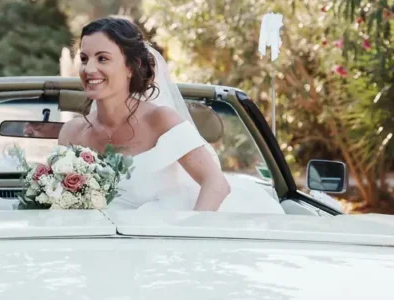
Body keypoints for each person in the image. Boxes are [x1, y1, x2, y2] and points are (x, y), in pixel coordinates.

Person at [57, 17, 285, 214]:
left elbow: (216, 184)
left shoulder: (161, 120)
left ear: (131, 67)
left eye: (102, 58)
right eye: (84, 59)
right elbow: (60, 199)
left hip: (166, 239)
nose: (88, 69)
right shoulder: (71, 133)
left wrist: (189, 239)